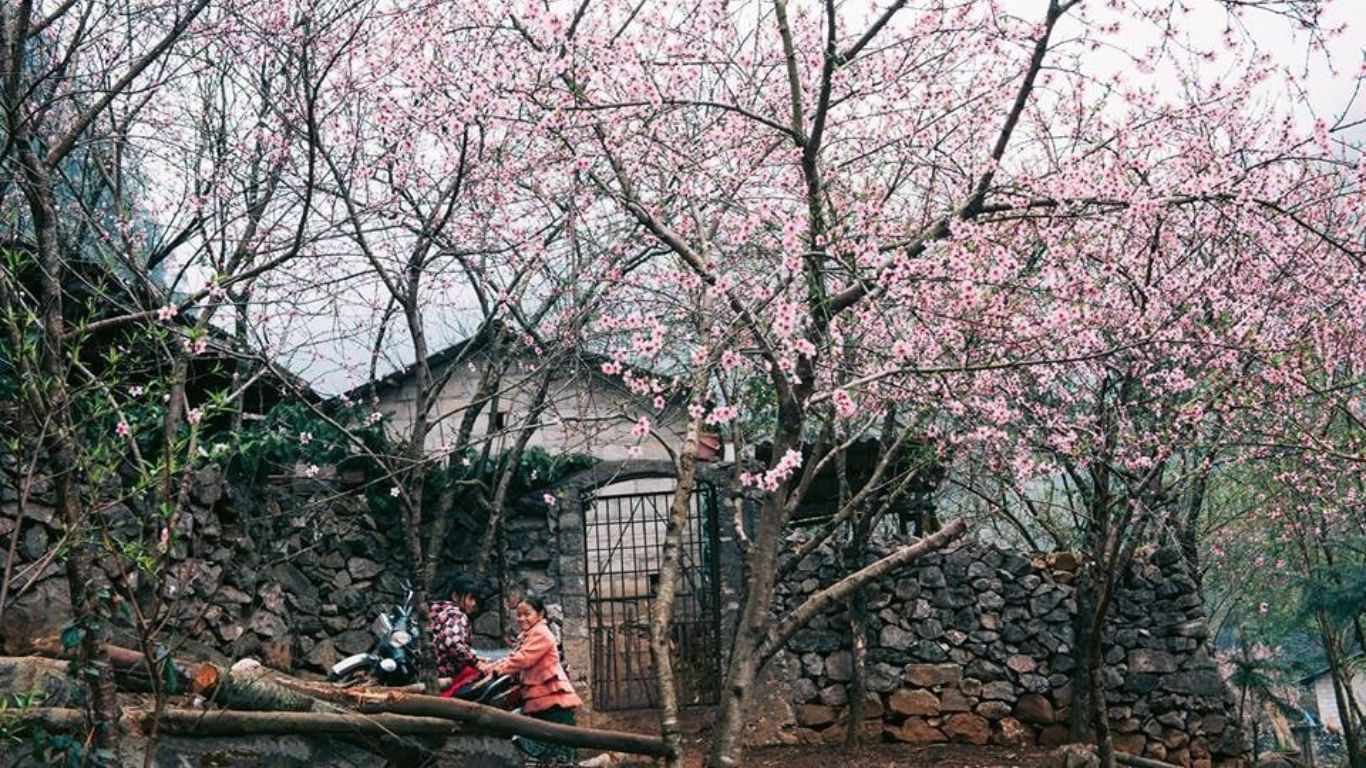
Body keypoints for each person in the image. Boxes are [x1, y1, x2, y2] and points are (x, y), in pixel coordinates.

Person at [483, 594, 583, 765]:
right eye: (519, 615)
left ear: (541, 614)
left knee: (557, 748)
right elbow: (514, 657)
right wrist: (491, 666)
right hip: (541, 699)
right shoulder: (529, 635)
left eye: (527, 614)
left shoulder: (542, 634)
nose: (521, 619)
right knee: (548, 748)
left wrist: (496, 670)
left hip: (552, 699)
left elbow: (522, 659)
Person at [429, 575, 480, 687]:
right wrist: (477, 663)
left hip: (428, 672)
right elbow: (453, 643)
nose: (473, 603)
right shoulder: (455, 614)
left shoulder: (435, 611)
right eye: (471, 598)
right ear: (455, 596)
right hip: (445, 676)